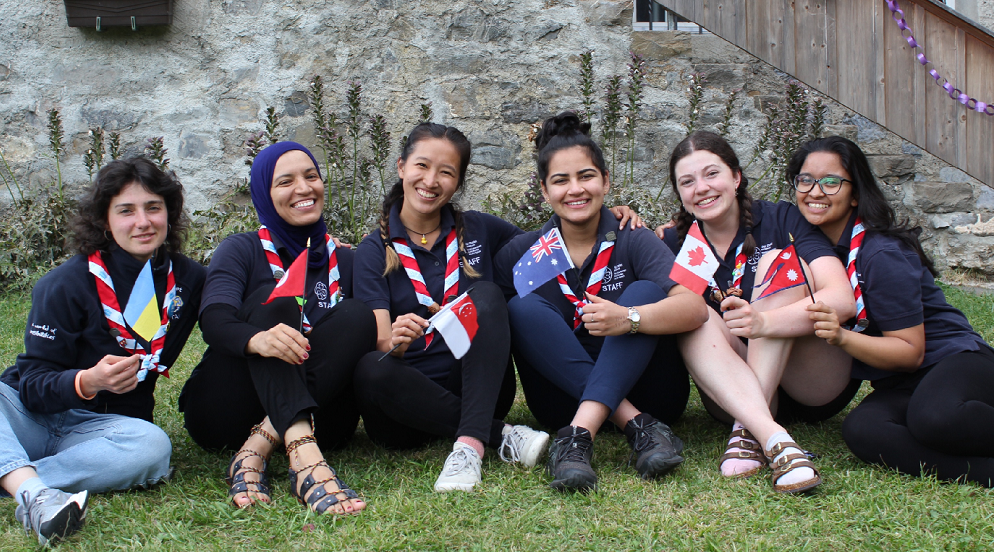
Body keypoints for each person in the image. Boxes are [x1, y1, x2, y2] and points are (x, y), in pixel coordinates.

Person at [0, 157, 206, 546]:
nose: (142, 222)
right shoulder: (63, 284)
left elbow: (237, 304)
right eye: (126, 210)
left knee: (154, 448)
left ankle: (16, 478)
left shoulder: (190, 279)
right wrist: (87, 381)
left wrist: (326, 258)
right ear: (103, 220)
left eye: (153, 207)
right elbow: (31, 386)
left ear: (169, 214)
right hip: (29, 415)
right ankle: (35, 495)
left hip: (102, 432)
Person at [496, 111, 710, 492]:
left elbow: (694, 308)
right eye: (560, 181)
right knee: (520, 308)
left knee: (645, 294)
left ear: (606, 181)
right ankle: (635, 425)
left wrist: (629, 318)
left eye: (586, 176)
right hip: (560, 402)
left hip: (653, 393)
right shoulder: (523, 252)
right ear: (544, 191)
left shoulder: (634, 237)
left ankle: (577, 439)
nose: (575, 189)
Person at [355, 122, 565, 493]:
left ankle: (468, 447)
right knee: (371, 368)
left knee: (485, 294)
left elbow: (553, 239)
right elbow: (381, 342)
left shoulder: (480, 229)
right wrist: (396, 343)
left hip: (476, 387)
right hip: (405, 405)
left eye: (446, 172)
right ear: (402, 166)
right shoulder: (374, 250)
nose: (431, 180)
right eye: (422, 165)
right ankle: (499, 435)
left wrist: (612, 218)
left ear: (458, 183)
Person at [179, 142, 376, 516]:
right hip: (228, 410)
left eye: (311, 177)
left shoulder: (348, 259)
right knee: (277, 297)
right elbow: (215, 319)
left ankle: (260, 447)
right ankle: (303, 459)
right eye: (285, 181)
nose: (303, 189)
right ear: (264, 195)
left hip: (326, 420)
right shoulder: (241, 249)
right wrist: (259, 339)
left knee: (358, 315)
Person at [786, 136, 994, 486]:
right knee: (863, 430)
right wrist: (677, 229)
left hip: (954, 361)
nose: (815, 191)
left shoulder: (880, 253)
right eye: (805, 180)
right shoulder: (821, 250)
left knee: (935, 418)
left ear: (855, 193)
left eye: (831, 181)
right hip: (902, 383)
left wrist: (841, 337)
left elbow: (910, 352)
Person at [663, 130, 857, 493]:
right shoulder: (674, 242)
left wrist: (763, 322)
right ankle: (773, 437)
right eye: (687, 182)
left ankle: (747, 432)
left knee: (775, 262)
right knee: (691, 312)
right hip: (731, 389)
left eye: (711, 174)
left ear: (736, 177)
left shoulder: (782, 218)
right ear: (680, 195)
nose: (701, 188)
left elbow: (842, 299)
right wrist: (618, 215)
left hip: (812, 380)